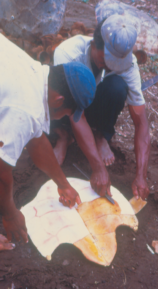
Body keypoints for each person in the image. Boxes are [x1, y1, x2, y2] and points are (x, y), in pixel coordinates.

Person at [0, 33, 96, 243]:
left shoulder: (33, 72)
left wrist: (63, 183)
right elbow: (1, 170)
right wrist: (9, 215)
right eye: (67, 113)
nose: (63, 117)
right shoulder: (24, 111)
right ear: (58, 100)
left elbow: (37, 141)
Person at [53, 14, 150, 201]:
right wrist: (98, 168)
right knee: (58, 98)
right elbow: (74, 113)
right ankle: (63, 136)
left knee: (117, 88)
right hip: (68, 108)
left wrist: (141, 176)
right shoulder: (69, 53)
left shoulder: (128, 64)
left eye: (116, 63)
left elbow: (141, 122)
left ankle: (100, 135)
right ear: (95, 44)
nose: (109, 65)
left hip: (92, 107)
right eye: (106, 58)